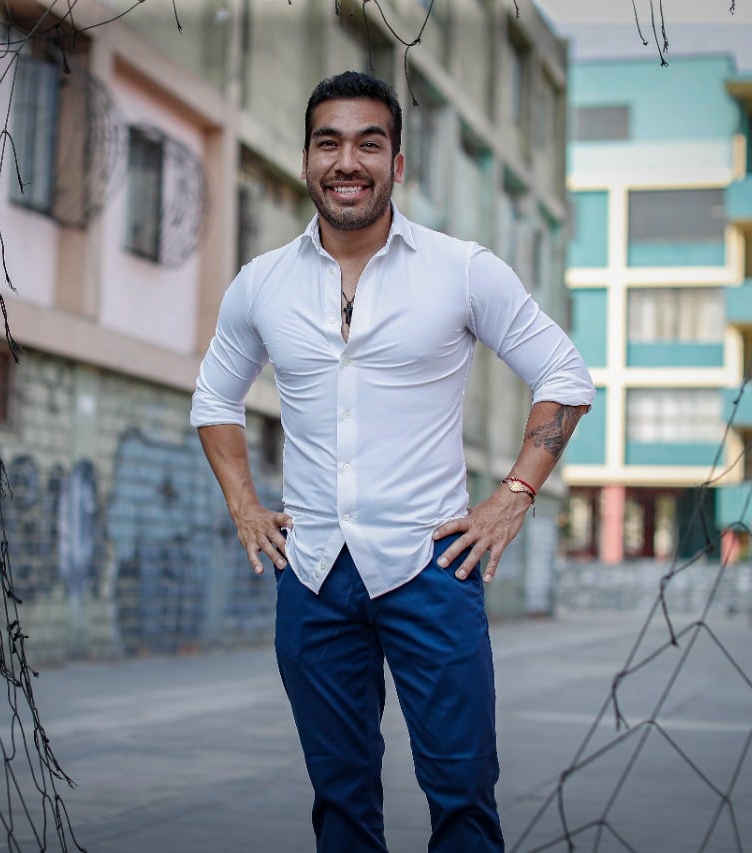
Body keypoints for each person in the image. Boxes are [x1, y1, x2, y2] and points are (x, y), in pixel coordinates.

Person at [190, 71, 594, 852]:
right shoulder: (261, 284)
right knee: (340, 801)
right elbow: (214, 397)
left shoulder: (461, 269)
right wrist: (243, 503)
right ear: (306, 159)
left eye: (368, 144)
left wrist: (514, 494)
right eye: (329, 143)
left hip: (431, 566)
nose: (348, 162)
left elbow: (565, 376)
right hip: (312, 574)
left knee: (463, 794)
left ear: (397, 163)